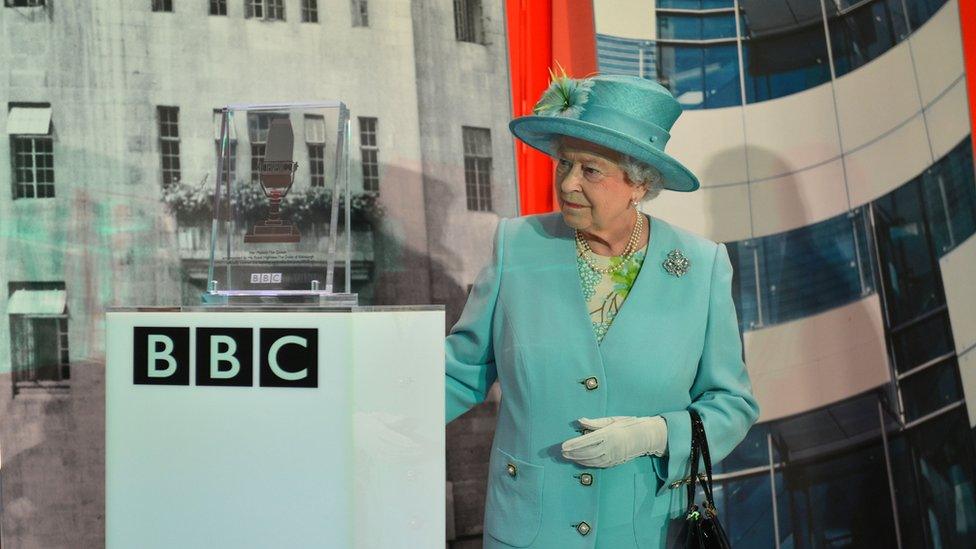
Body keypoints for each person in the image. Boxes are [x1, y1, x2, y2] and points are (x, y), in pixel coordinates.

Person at [445, 73, 760, 548]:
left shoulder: (701, 267)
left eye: (591, 170)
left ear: (640, 183)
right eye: (564, 164)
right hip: (530, 528)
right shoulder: (518, 246)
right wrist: (368, 415)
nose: (568, 182)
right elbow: (459, 372)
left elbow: (732, 404)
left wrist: (655, 434)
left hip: (643, 530)